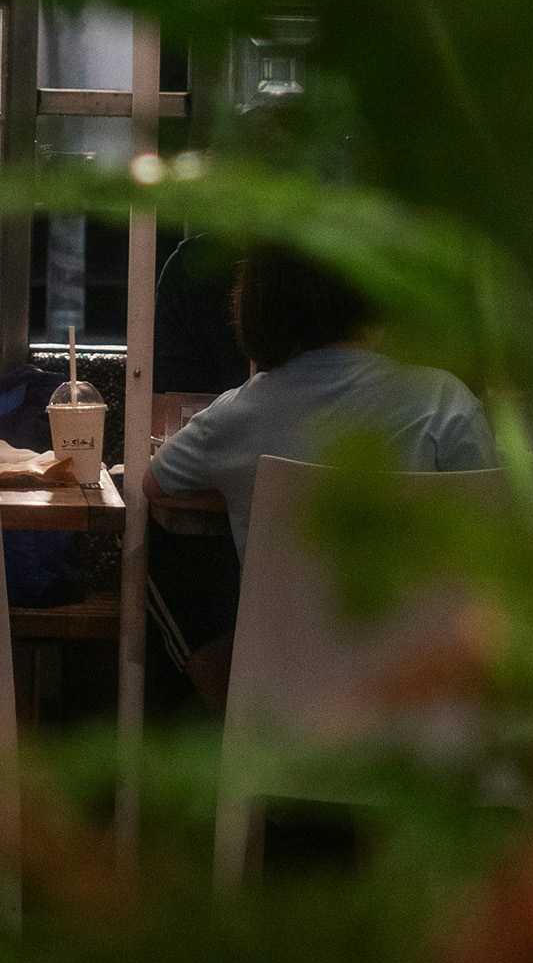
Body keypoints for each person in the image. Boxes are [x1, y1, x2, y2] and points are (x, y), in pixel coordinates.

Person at [144, 246, 495, 708]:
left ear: (258, 307)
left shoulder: (239, 413)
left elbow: (155, 483)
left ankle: (228, 726)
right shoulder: (445, 401)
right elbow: (493, 522)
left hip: (286, 697)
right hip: (429, 694)